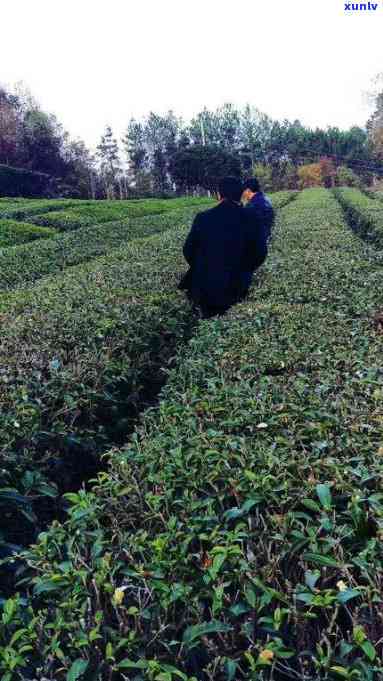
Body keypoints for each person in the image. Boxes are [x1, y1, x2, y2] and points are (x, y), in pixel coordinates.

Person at [179, 176, 267, 319]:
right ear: (241, 194)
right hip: (237, 287)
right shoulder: (251, 217)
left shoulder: (203, 218)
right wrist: (244, 271)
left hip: (205, 288)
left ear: (219, 195)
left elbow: (188, 250)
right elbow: (260, 253)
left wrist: (205, 268)